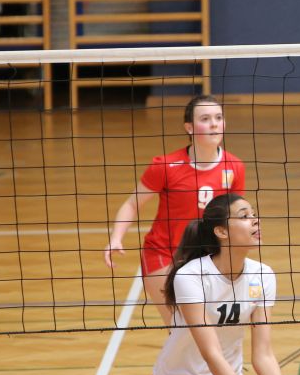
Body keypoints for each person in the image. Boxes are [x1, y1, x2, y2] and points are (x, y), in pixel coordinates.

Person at [105, 95, 246, 325]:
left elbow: (235, 216)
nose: (214, 124)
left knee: (207, 331)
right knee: (183, 328)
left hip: (207, 258)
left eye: (218, 118)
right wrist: (116, 238)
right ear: (189, 127)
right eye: (205, 119)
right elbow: (132, 203)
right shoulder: (165, 166)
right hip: (164, 256)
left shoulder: (234, 167)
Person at [149, 193, 283, 375]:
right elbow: (211, 354)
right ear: (221, 231)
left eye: (254, 215)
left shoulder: (262, 274)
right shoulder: (191, 276)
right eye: (244, 216)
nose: (256, 221)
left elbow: (264, 356)